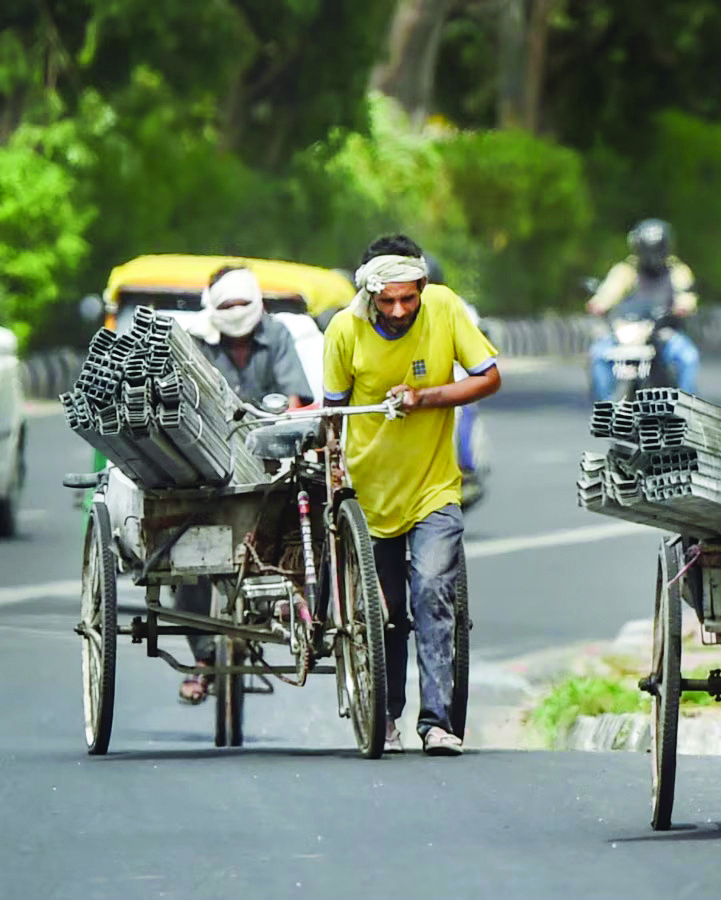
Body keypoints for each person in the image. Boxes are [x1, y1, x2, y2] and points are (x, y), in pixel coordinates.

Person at [323, 233, 500, 755]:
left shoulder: (444, 308)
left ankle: (438, 723)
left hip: (434, 489)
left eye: (409, 298)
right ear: (368, 295)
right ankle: (387, 718)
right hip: (371, 498)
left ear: (423, 287)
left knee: (431, 594)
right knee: (387, 614)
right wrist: (335, 477)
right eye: (388, 301)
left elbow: (487, 377)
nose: (400, 310)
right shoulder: (344, 330)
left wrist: (426, 398)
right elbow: (331, 416)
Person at [176, 265, 314, 703]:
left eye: (242, 303)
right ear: (212, 306)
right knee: (190, 552)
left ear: (257, 304)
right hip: (207, 465)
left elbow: (295, 399)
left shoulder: (277, 337)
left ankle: (292, 608)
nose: (235, 312)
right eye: (226, 304)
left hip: (269, 459)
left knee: (303, 522)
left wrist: (277, 437)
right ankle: (202, 659)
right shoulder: (195, 342)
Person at [586, 218, 700, 402]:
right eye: (648, 249)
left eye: (657, 249)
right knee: (599, 355)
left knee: (688, 357)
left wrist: (682, 308)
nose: (652, 255)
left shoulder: (677, 271)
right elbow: (609, 293)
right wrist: (598, 304)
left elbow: (686, 296)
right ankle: (606, 406)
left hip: (664, 332)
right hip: (628, 331)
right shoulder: (625, 270)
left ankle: (687, 410)